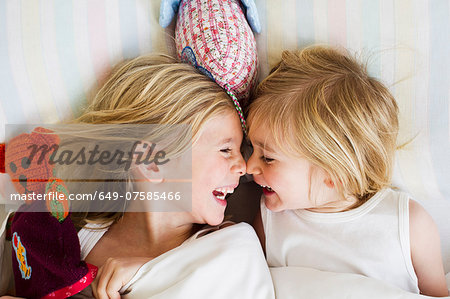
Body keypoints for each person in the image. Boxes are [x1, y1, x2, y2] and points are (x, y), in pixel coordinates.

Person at [0, 54, 274, 299]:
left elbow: (243, 264)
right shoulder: (69, 240)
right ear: (152, 162)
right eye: (226, 149)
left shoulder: (223, 249)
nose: (243, 166)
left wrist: (151, 272)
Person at [246, 46, 449, 297]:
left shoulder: (408, 225)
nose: (248, 166)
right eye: (251, 149)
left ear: (333, 175)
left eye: (267, 158)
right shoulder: (269, 222)